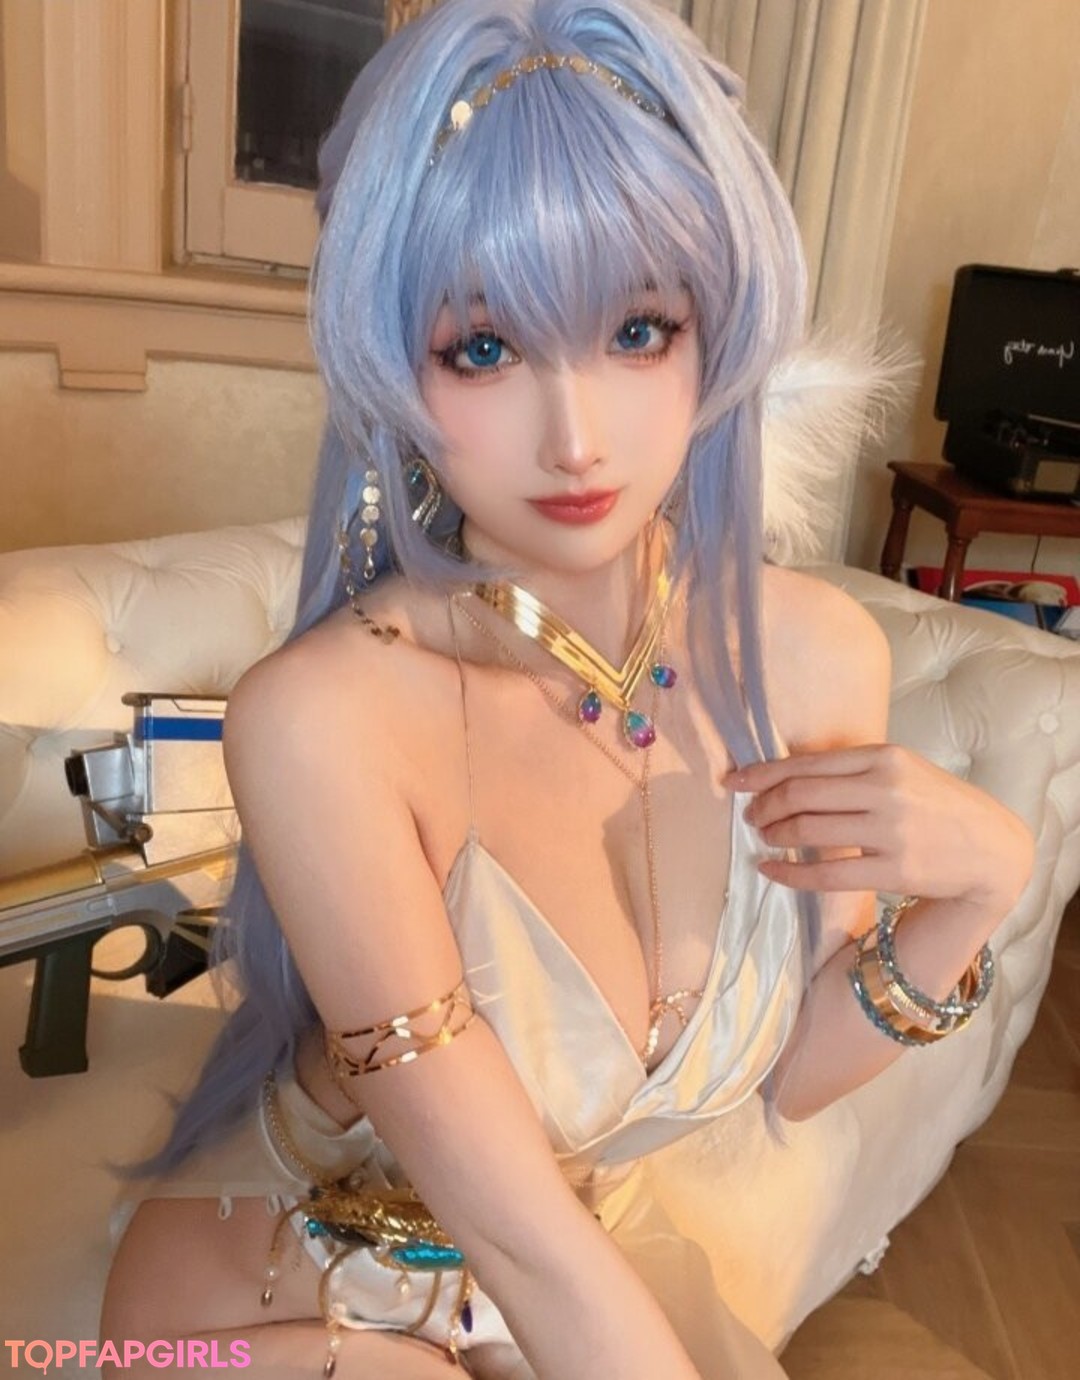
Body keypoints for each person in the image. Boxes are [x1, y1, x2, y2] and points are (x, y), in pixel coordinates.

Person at [101, 2, 1034, 1377]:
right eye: (484, 349)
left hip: (567, 1270)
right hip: (279, 1293)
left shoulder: (817, 655)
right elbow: (516, 1232)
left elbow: (793, 1077)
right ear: (391, 367)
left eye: (638, 329)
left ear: (716, 332)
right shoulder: (327, 719)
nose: (577, 436)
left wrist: (980, 890)